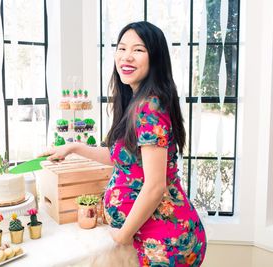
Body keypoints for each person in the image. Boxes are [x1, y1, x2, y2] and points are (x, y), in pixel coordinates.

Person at [42, 21, 207, 266]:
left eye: (138, 50)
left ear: (155, 58)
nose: (126, 57)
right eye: (121, 48)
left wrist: (123, 234)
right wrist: (74, 147)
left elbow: (155, 186)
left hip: (166, 243)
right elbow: (121, 157)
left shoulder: (150, 107)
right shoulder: (137, 102)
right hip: (157, 237)